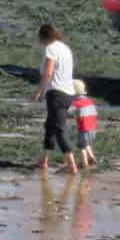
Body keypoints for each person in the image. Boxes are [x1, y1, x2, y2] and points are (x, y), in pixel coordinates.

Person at [34, 23, 79, 175]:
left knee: (59, 128)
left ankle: (71, 165)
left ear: (44, 36)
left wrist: (39, 91)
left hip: (57, 93)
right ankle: (44, 160)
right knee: (50, 125)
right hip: (68, 93)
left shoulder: (51, 48)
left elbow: (48, 72)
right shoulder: (64, 48)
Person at [70, 79, 99, 170]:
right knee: (86, 144)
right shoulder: (90, 101)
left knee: (81, 146)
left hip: (84, 129)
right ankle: (92, 158)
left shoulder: (76, 103)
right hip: (93, 128)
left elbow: (68, 111)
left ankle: (85, 163)